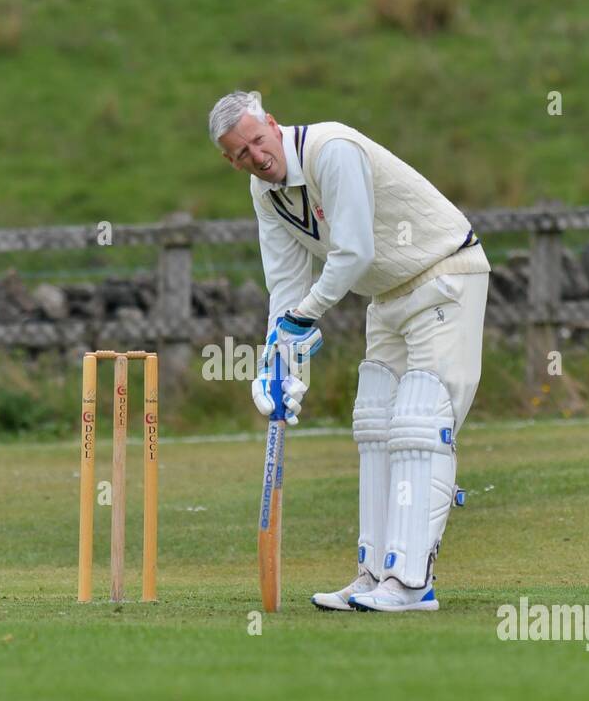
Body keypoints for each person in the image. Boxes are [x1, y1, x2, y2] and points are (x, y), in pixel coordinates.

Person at [208, 90, 490, 613]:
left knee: (419, 425)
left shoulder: (330, 148)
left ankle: (411, 583)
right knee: (375, 425)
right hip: (386, 295)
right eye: (241, 154)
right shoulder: (265, 192)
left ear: (271, 123)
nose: (257, 157)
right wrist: (279, 366)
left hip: (444, 274)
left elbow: (353, 251)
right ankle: (374, 573)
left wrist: (305, 316)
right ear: (230, 161)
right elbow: (285, 288)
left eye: (257, 140)